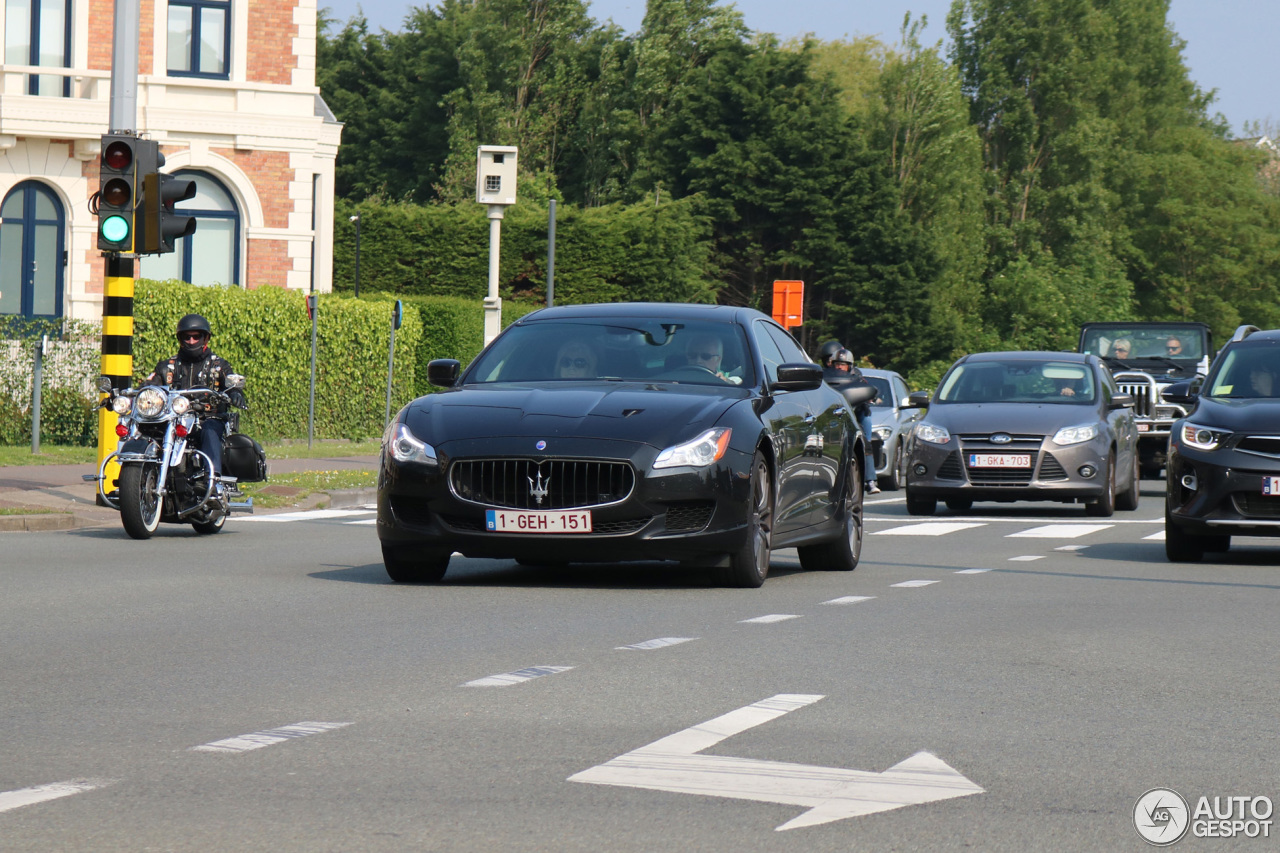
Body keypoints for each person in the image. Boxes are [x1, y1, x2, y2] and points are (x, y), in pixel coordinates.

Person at [143, 314, 243, 481]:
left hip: (207, 418)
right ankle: (141, 472)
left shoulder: (218, 365)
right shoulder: (167, 366)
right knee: (147, 429)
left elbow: (230, 383)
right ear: (180, 339)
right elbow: (149, 387)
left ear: (206, 339)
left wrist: (235, 393)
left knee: (210, 430)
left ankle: (211, 479)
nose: (191, 341)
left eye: (196, 336)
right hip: (173, 419)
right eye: (186, 337)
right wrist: (129, 397)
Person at [823, 347, 881, 495]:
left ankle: (870, 480)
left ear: (850, 366)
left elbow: (869, 388)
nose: (840, 367)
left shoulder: (857, 377)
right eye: (837, 364)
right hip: (833, 412)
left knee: (866, 422)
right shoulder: (826, 376)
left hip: (856, 411)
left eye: (843, 364)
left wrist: (871, 396)